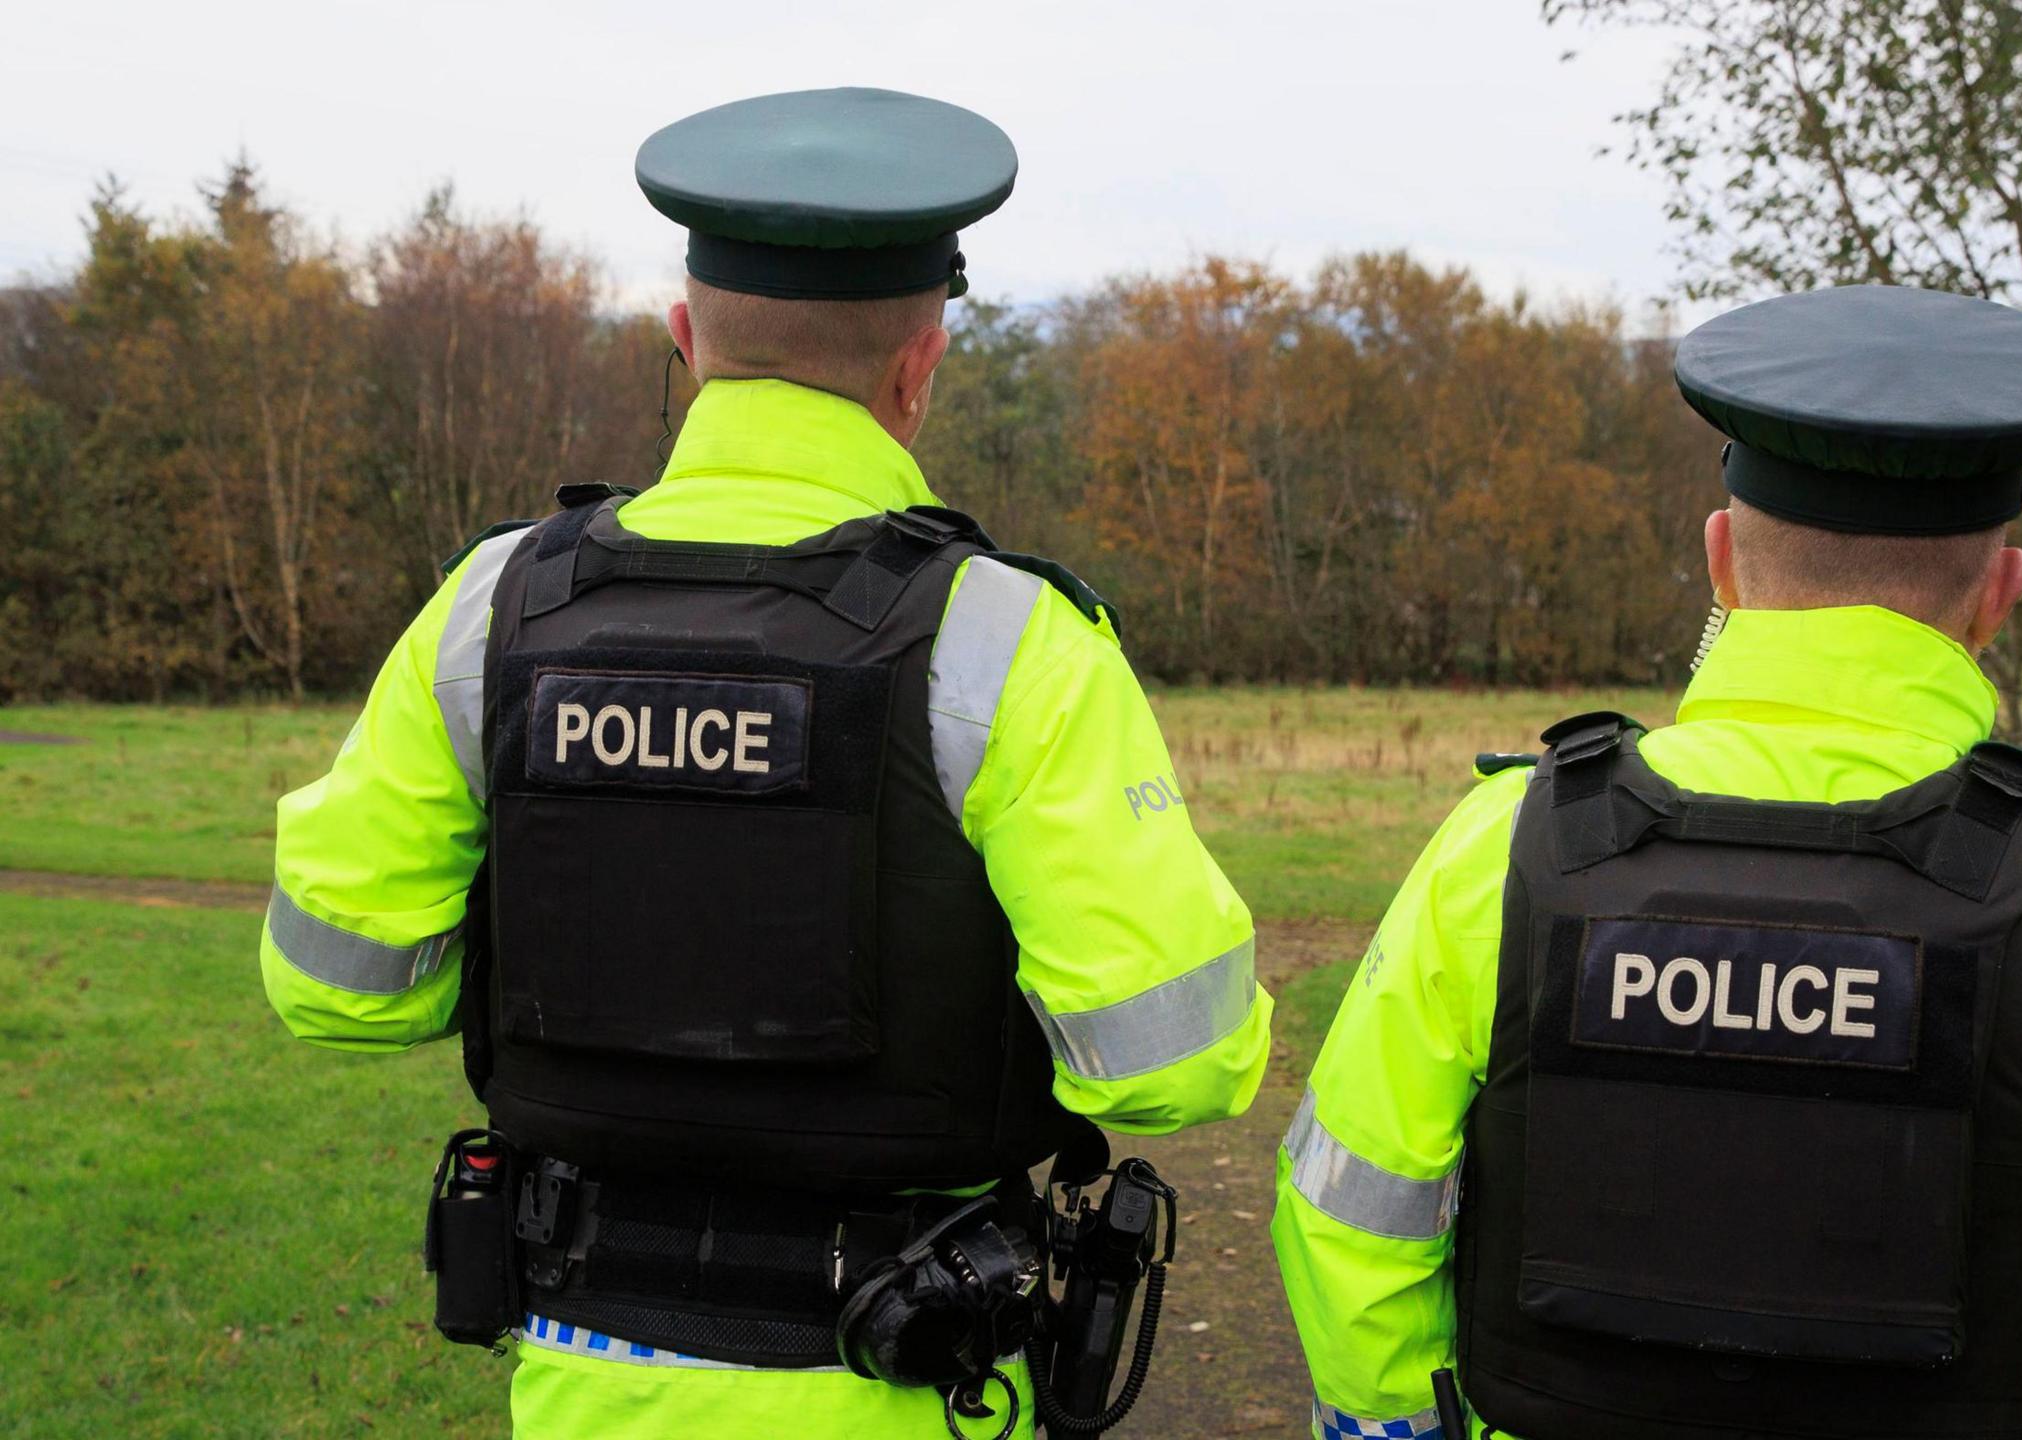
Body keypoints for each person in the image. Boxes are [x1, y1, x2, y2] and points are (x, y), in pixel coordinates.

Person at [260, 87, 1271, 1438]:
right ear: (922, 364)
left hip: (584, 1378)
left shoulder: (495, 611)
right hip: (913, 1384)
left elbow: (336, 991)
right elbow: (1173, 1060)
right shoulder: (1005, 640)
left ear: (685, 340)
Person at [1270, 285, 2022, 1440]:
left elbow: (1349, 1217)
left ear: (1721, 564)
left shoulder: (1508, 844)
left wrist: (1392, 1427)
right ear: (1997, 596)